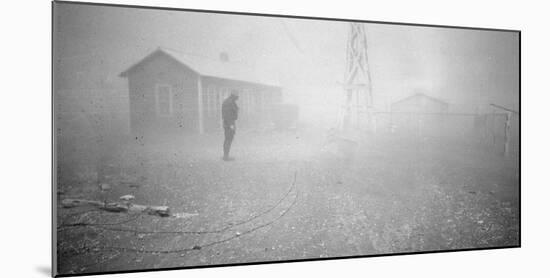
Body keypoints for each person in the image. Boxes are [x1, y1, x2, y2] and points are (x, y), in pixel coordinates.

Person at [221, 93, 239, 161]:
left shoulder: (228, 102)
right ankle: (226, 156)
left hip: (228, 123)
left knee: (227, 139)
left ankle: (226, 155)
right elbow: (228, 115)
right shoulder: (229, 103)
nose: (237, 99)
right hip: (229, 123)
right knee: (228, 139)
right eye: (236, 97)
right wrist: (231, 125)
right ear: (234, 97)